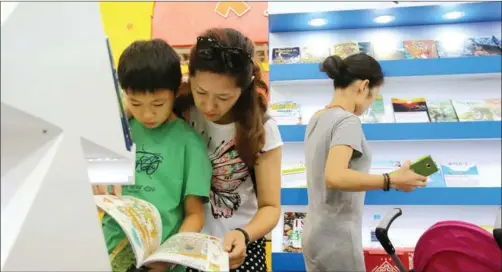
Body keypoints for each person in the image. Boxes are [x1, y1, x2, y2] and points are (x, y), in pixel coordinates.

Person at [301, 53, 428, 271]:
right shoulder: (347, 120)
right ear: (364, 86)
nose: (369, 105)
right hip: (337, 237)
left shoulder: (318, 117)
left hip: (315, 231)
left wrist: (395, 177)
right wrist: (390, 181)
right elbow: (335, 176)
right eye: (373, 96)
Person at [94, 39, 212, 272]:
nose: (146, 114)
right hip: (110, 253)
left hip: (161, 261)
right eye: (135, 103)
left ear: (176, 91)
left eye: (158, 103)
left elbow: (195, 215)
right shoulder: (118, 133)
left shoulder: (189, 143)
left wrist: (167, 258)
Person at [175, 28, 283, 272]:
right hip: (183, 247)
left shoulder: (262, 128)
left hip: (238, 248)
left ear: (244, 89)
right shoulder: (179, 111)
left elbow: (270, 207)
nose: (210, 105)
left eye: (224, 97)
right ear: (189, 77)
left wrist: (244, 234)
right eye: (201, 92)